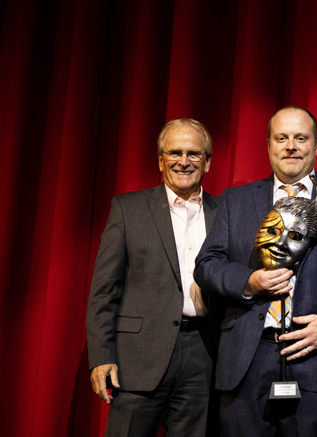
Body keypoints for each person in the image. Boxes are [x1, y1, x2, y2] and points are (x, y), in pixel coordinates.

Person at [194, 106, 317, 436]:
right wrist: (248, 281)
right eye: (282, 138)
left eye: (301, 138)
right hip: (247, 364)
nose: (291, 146)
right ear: (268, 146)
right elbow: (208, 266)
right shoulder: (235, 200)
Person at [86, 118, 219, 436]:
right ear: (160, 159)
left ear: (208, 162)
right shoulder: (127, 209)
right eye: (174, 152)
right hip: (138, 358)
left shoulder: (225, 212)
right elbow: (105, 290)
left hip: (204, 355)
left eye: (193, 153)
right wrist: (102, 356)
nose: (183, 161)